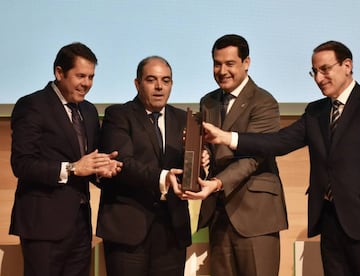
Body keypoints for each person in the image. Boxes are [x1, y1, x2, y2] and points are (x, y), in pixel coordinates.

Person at [202, 40, 360, 276]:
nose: (319, 78)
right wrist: (227, 137)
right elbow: (278, 143)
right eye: (314, 72)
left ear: (347, 65)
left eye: (325, 69)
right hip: (331, 223)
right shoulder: (316, 112)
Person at [9, 42, 123, 276]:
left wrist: (102, 169)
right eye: (80, 76)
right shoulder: (32, 105)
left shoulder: (89, 111)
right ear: (59, 73)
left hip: (80, 227)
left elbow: (87, 162)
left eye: (91, 77)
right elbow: (22, 164)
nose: (87, 83)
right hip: (42, 226)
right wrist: (71, 169)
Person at [182, 34, 288, 276]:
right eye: (217, 63)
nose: (222, 70)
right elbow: (208, 146)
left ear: (246, 62)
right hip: (220, 213)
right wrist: (203, 156)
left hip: (256, 215)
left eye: (229, 64)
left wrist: (217, 183)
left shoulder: (264, 102)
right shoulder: (207, 102)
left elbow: (254, 157)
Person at [96, 56, 198, 276]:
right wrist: (163, 177)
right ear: (137, 83)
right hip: (128, 230)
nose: (160, 86)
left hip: (172, 231)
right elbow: (122, 162)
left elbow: (190, 169)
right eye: (151, 80)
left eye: (166, 80)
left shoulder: (184, 119)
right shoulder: (118, 115)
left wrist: (201, 163)